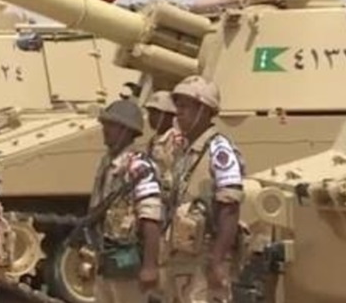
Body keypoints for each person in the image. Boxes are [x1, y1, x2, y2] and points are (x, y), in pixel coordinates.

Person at [165, 76, 244, 303]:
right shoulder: (184, 150)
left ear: (204, 110)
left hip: (206, 257)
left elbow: (230, 207)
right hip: (182, 256)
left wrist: (217, 260)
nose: (178, 112)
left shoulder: (220, 150)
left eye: (185, 106)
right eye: (178, 105)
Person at [88, 99, 164, 302]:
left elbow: (151, 217)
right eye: (105, 124)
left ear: (127, 130)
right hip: (107, 256)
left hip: (128, 260)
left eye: (112, 125)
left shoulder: (139, 166)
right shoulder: (108, 162)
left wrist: (150, 266)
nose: (105, 130)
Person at [144, 90, 185, 193]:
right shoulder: (153, 140)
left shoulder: (175, 139)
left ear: (169, 116)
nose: (151, 117)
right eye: (150, 112)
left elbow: (175, 171)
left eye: (155, 113)